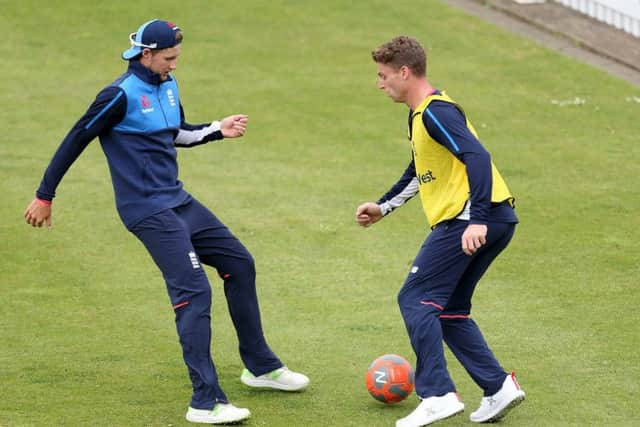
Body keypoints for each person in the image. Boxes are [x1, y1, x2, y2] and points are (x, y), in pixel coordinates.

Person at [24, 19, 309, 425]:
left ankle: (260, 367)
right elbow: (76, 138)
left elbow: (176, 134)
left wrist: (217, 129)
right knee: (194, 292)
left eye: (176, 57)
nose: (174, 64)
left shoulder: (168, 86)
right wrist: (44, 195)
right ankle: (204, 401)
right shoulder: (118, 95)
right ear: (147, 54)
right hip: (146, 211)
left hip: (177, 200)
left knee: (239, 264)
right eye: (168, 58)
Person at [356, 36, 525, 427]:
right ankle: (498, 387)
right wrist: (384, 206)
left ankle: (437, 394)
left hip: (473, 219)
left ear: (404, 71)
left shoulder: (436, 112)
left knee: (415, 298)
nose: (380, 83)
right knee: (448, 310)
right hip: (495, 219)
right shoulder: (420, 116)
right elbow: (419, 169)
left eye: (383, 76)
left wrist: (477, 217)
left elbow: (477, 157)